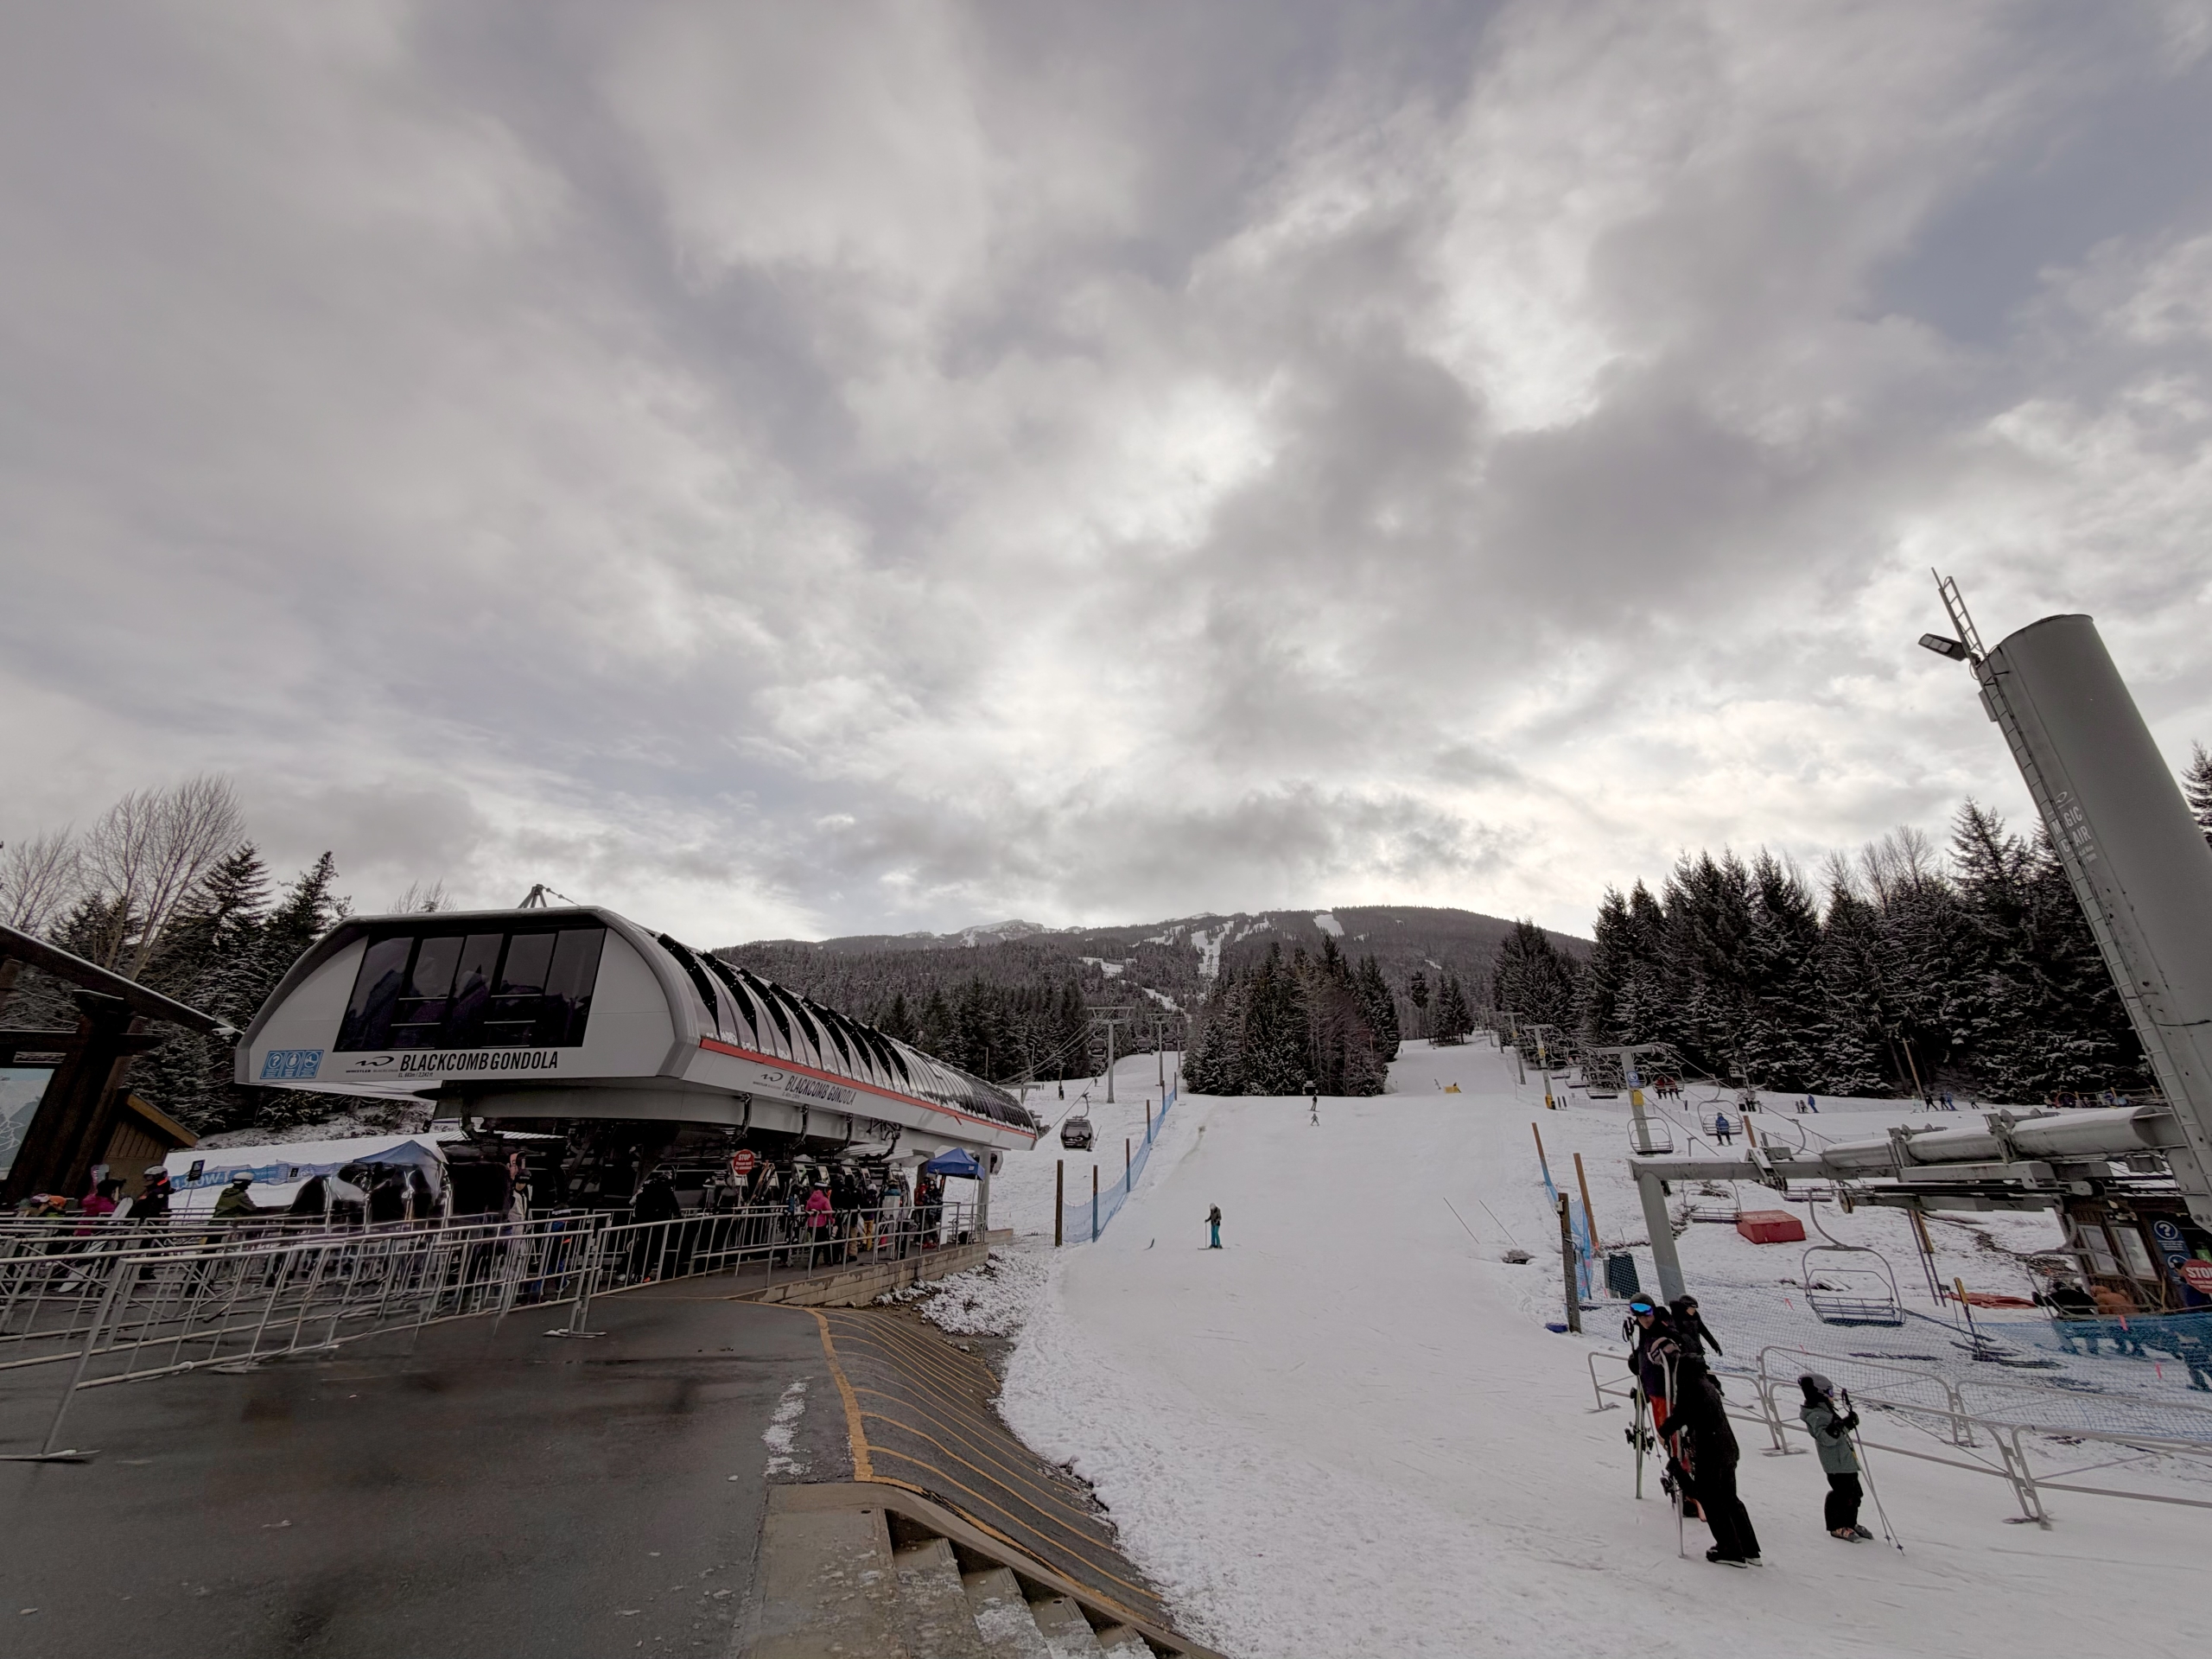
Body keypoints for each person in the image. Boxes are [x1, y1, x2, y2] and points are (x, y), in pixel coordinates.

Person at [1669, 1352, 1760, 1566]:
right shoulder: (1708, 1385)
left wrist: (1676, 1466)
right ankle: (1749, 1548)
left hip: (1712, 1451)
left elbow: (1681, 1415)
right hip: (1728, 1448)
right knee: (1730, 1498)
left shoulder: (1691, 1387)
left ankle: (1730, 1549)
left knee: (1711, 1499)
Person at [1799, 1374, 1872, 1540]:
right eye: (1830, 1392)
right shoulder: (1816, 1415)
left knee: (1855, 1494)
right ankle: (1836, 1526)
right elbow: (1826, 1438)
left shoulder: (1826, 1410)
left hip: (1846, 1460)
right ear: (1820, 1393)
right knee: (1841, 1495)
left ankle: (1851, 1522)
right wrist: (1840, 1426)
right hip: (1835, 1464)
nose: (1833, 1396)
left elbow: (1838, 1432)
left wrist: (1847, 1423)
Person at [1670, 1294, 1724, 1359]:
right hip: (1683, 1354)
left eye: (1695, 1308)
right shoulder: (1675, 1320)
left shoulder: (1695, 1318)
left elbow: (1705, 1332)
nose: (1694, 1310)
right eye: (1692, 1308)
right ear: (1685, 1308)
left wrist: (1716, 1347)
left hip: (1696, 1351)